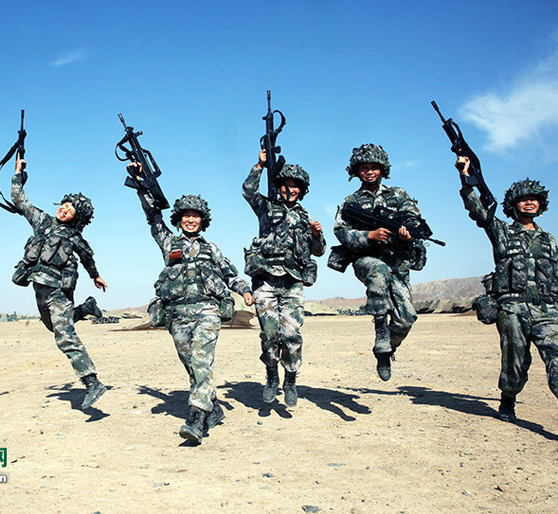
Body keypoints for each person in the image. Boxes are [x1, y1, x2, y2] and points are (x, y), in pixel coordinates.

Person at [456, 155, 558, 437]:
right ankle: (508, 399)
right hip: (512, 310)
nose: (529, 202)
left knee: (556, 356)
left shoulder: (549, 240)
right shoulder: (502, 233)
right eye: (523, 199)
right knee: (515, 363)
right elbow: (479, 212)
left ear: (541, 205)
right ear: (514, 205)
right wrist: (465, 177)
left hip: (547, 310)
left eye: (534, 199)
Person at [130, 162, 254, 444]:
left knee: (201, 361)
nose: (190, 220)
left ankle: (196, 418)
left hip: (207, 312)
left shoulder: (212, 249)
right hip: (177, 315)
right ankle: (214, 406)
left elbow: (229, 273)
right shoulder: (168, 242)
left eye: (195, 216)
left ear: (203, 220)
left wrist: (244, 290)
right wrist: (139, 183)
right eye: (186, 215)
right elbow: (152, 217)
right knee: (193, 365)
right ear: (179, 219)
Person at [10, 155, 109, 410]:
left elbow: (87, 256)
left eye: (70, 209)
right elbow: (19, 200)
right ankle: (86, 309)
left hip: (58, 292)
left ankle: (92, 382)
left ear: (76, 218)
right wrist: (18, 173)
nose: (64, 208)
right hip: (38, 287)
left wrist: (95, 275)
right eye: (64, 204)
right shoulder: (42, 221)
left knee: (64, 335)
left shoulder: (74, 237)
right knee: (52, 327)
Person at [333, 144, 428, 381]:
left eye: (374, 167)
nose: (369, 172)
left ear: (382, 169)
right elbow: (341, 232)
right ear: (356, 171)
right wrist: (369, 236)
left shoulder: (399, 195)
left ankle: (388, 350)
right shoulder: (350, 201)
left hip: (397, 261)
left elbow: (413, 220)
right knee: (378, 271)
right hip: (367, 258)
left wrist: (406, 233)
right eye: (364, 168)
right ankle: (380, 331)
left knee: (406, 318)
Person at [243, 151, 325, 406]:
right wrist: (260, 165)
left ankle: (290, 379)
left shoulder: (304, 216)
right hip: (266, 280)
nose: (290, 191)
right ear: (279, 187)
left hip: (292, 282)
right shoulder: (267, 207)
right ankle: (271, 376)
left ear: (301, 191)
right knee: (269, 334)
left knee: (291, 335)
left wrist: (316, 235)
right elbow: (248, 192)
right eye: (286, 186)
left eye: (295, 188)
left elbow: (318, 251)